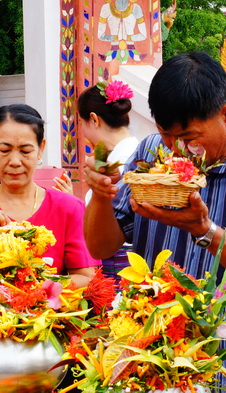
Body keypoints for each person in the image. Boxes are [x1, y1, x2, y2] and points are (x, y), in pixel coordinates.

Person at [83, 52, 226, 391]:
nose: (176, 149)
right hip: (159, 365)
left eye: (189, 137)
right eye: (165, 134)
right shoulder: (149, 154)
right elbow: (101, 245)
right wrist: (101, 194)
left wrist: (204, 231)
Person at [0, 104, 100, 288]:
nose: (15, 162)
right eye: (4, 150)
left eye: (25, 151)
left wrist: (32, 289)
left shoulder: (69, 208)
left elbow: (87, 277)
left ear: (41, 148)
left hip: (50, 314)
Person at [77, 81, 139, 286]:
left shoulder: (120, 163)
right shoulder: (139, 153)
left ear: (93, 119)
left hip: (121, 273)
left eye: (82, 124)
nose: (83, 133)